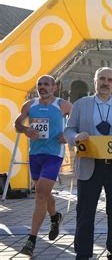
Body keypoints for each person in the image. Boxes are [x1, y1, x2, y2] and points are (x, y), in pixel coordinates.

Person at [64, 67, 112, 259]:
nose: (105, 83)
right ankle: (83, 253)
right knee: (85, 213)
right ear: (94, 80)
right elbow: (69, 129)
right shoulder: (81, 104)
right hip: (89, 167)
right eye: (102, 79)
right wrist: (75, 137)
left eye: (109, 80)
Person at [14, 75, 72, 256]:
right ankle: (55, 217)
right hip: (36, 154)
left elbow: (79, 121)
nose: (42, 87)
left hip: (54, 154)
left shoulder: (62, 105)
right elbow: (17, 123)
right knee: (43, 192)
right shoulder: (30, 105)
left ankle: (31, 240)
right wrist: (24, 129)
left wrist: (68, 134)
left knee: (40, 192)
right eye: (40, 84)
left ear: (54, 87)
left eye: (46, 84)